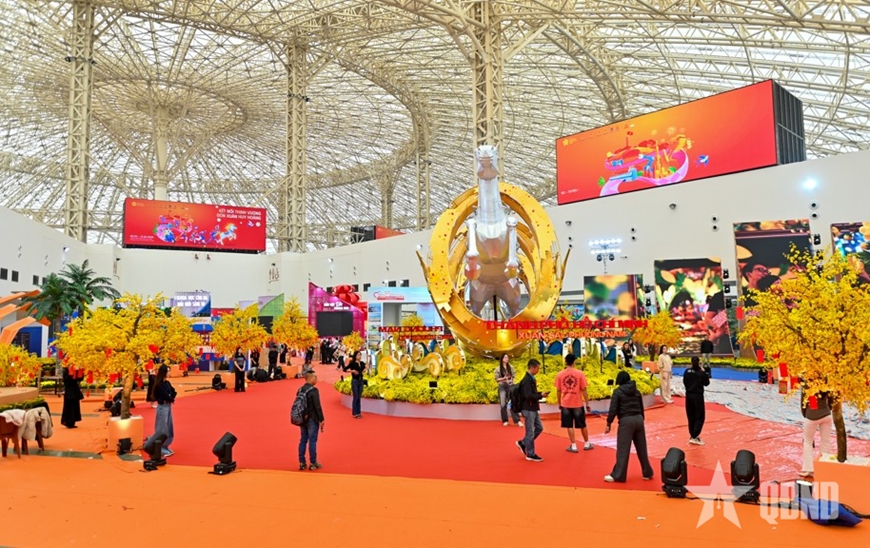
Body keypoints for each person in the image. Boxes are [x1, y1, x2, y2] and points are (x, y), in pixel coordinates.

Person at [604, 371, 654, 482]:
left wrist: (608, 423)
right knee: (642, 448)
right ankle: (647, 472)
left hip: (626, 421)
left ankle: (618, 475)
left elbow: (613, 409)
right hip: (639, 419)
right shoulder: (637, 391)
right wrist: (641, 419)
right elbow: (641, 407)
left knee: (623, 449)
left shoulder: (618, 392)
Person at [555, 353, 593, 452]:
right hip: (577, 403)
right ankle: (587, 443)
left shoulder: (560, 374)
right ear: (574, 362)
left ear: (566, 362)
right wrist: (587, 403)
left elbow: (558, 390)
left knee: (569, 425)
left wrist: (559, 403)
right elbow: (584, 389)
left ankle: (573, 445)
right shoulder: (580, 374)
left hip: (565, 403)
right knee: (582, 424)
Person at [515, 359, 548, 462]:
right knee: (530, 432)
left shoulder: (530, 379)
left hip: (532, 408)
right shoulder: (527, 380)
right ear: (532, 368)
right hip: (528, 408)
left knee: (539, 428)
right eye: (537, 368)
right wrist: (540, 396)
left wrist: (540, 394)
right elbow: (528, 396)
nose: (538, 370)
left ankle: (523, 443)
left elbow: (530, 394)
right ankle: (530, 453)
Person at [800, 386, 833, 478]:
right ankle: (824, 467)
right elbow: (831, 400)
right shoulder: (827, 382)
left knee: (807, 441)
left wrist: (806, 414)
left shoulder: (807, 384)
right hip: (826, 414)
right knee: (826, 441)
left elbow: (803, 403)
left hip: (811, 415)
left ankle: (808, 469)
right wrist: (827, 409)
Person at [297, 371, 325, 470]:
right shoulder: (314, 390)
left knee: (303, 440)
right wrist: (321, 419)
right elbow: (317, 406)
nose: (316, 379)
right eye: (315, 377)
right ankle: (313, 462)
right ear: (311, 378)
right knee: (312, 441)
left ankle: (302, 462)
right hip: (312, 418)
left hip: (302, 418)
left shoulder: (300, 389)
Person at [151, 364, 177, 457]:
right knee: (162, 428)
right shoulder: (159, 384)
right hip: (162, 406)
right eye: (168, 371)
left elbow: (174, 392)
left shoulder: (167, 383)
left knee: (169, 427)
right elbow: (165, 395)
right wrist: (170, 397)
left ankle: (166, 446)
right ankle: (160, 447)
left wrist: (171, 396)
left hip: (168, 406)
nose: (169, 373)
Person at [683, 356, 710, 445]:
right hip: (697, 396)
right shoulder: (700, 373)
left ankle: (692, 434)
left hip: (689, 395)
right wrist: (703, 372)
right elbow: (707, 383)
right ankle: (695, 436)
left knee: (690, 415)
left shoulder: (687, 371)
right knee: (699, 416)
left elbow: (685, 382)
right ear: (699, 362)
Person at [494, 355, 522, 427]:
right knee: (503, 404)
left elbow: (513, 376)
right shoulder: (498, 368)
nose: (507, 359)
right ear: (502, 359)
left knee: (513, 402)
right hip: (502, 386)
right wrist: (503, 378)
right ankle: (505, 420)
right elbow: (496, 379)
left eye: (507, 357)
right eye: (505, 357)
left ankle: (517, 420)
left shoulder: (511, 367)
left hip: (510, 386)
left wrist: (511, 381)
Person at [344, 350, 365, 418]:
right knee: (355, 396)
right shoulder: (352, 363)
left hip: (361, 381)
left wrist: (364, 370)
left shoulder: (362, 363)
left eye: (360, 355)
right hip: (355, 381)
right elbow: (345, 369)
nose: (359, 356)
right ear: (355, 356)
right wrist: (352, 371)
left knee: (359, 397)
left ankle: (358, 412)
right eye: (358, 355)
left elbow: (363, 370)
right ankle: (355, 412)